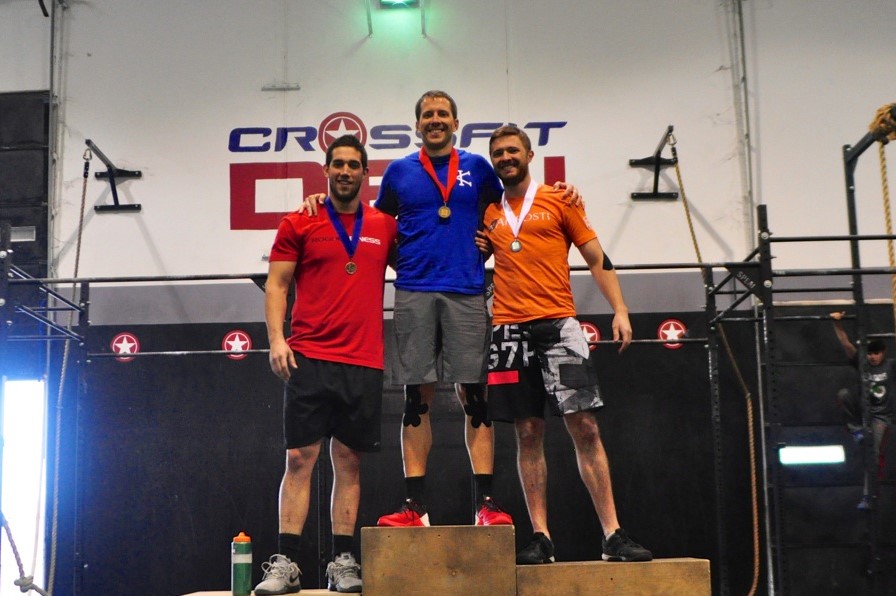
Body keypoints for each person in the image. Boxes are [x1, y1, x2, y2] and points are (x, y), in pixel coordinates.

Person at [301, 91, 578, 528]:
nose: (435, 120)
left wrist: (561, 192)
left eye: (443, 114)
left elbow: (511, 202)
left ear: (455, 123)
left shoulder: (478, 168)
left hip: (467, 291)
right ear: (417, 125)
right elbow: (372, 222)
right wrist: (321, 201)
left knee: (475, 397)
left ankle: (485, 505)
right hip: (414, 292)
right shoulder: (399, 172)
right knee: (417, 398)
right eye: (428, 115)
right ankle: (415, 507)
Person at [475, 125, 653, 564]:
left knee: (585, 427)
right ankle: (541, 537)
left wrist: (620, 309)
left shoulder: (560, 200)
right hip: (510, 331)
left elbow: (596, 257)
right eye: (498, 153)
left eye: (512, 150)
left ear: (529, 155)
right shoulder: (488, 211)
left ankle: (612, 534)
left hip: (560, 327)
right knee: (527, 432)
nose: (505, 158)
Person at [256, 134, 397, 594]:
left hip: (363, 359)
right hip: (309, 355)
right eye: (338, 164)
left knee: (349, 461)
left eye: (354, 164)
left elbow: (422, 261)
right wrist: (276, 340)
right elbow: (277, 285)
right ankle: (286, 564)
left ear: (366, 173)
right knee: (300, 458)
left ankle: (342, 562)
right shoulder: (299, 220)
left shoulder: (384, 225)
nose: (345, 171)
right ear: (326, 170)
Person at [830, 311, 894, 510]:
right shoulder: (863, 363)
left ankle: (868, 495)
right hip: (863, 410)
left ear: (883, 353)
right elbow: (846, 343)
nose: (873, 357)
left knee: (873, 455)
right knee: (843, 395)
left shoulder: (891, 366)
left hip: (880, 417)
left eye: (876, 353)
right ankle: (856, 430)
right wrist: (836, 323)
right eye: (870, 353)